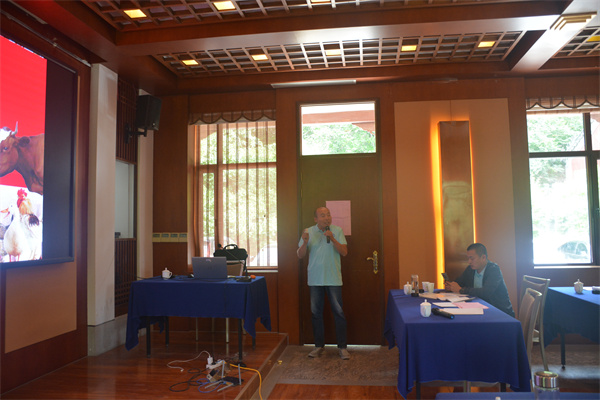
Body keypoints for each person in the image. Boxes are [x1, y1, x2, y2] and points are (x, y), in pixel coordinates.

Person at [297, 206, 350, 360]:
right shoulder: (308, 231)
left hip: (333, 278)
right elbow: (300, 255)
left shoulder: (337, 230)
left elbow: (344, 252)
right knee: (316, 313)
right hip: (315, 279)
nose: (327, 218)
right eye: (323, 215)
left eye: (328, 215)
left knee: (338, 313)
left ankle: (342, 347)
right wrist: (304, 242)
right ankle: (318, 346)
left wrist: (332, 238)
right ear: (316, 219)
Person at [445, 243, 515, 317]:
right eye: (468, 258)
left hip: (499, 312)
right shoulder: (470, 269)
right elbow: (459, 283)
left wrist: (460, 290)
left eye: (472, 258)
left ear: (483, 257)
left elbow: (486, 292)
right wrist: (451, 286)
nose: (469, 262)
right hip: (479, 309)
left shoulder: (494, 270)